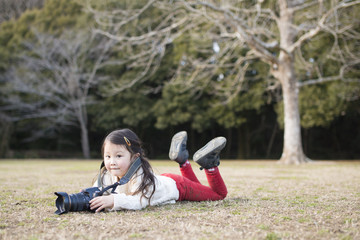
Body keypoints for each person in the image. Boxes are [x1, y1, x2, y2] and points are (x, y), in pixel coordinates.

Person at [89, 128, 228, 212]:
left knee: (218, 195)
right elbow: (96, 191)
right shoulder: (107, 175)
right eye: (107, 156)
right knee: (200, 188)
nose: (112, 162)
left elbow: (139, 202)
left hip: (179, 187)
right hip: (164, 180)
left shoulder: (140, 175)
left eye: (118, 156)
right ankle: (183, 161)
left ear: (134, 157)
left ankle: (209, 165)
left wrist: (113, 200)